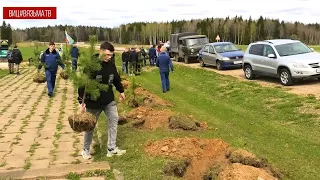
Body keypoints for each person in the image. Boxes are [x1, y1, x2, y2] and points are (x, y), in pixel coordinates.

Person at [78, 41, 126, 159]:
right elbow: (82, 84)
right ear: (101, 51)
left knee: (114, 120)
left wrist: (121, 91)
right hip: (93, 102)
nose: (109, 57)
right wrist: (81, 101)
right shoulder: (91, 65)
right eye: (107, 55)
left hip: (108, 100)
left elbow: (116, 78)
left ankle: (111, 148)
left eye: (111, 55)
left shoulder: (111, 64)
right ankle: (85, 150)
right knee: (90, 126)